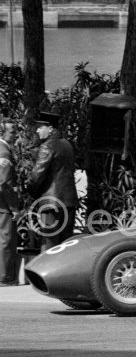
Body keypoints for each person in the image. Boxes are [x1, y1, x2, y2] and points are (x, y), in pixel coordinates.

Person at [27, 111, 78, 252]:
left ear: (50, 129)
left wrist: (30, 192)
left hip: (51, 204)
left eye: (40, 126)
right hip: (69, 202)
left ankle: (44, 273)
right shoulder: (68, 145)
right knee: (65, 246)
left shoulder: (47, 146)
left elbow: (37, 176)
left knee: (48, 245)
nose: (37, 130)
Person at [0, 121, 21, 287]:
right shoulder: (4, 152)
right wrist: (14, 208)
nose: (15, 135)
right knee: (6, 240)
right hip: (3, 205)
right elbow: (5, 183)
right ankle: (5, 276)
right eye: (12, 132)